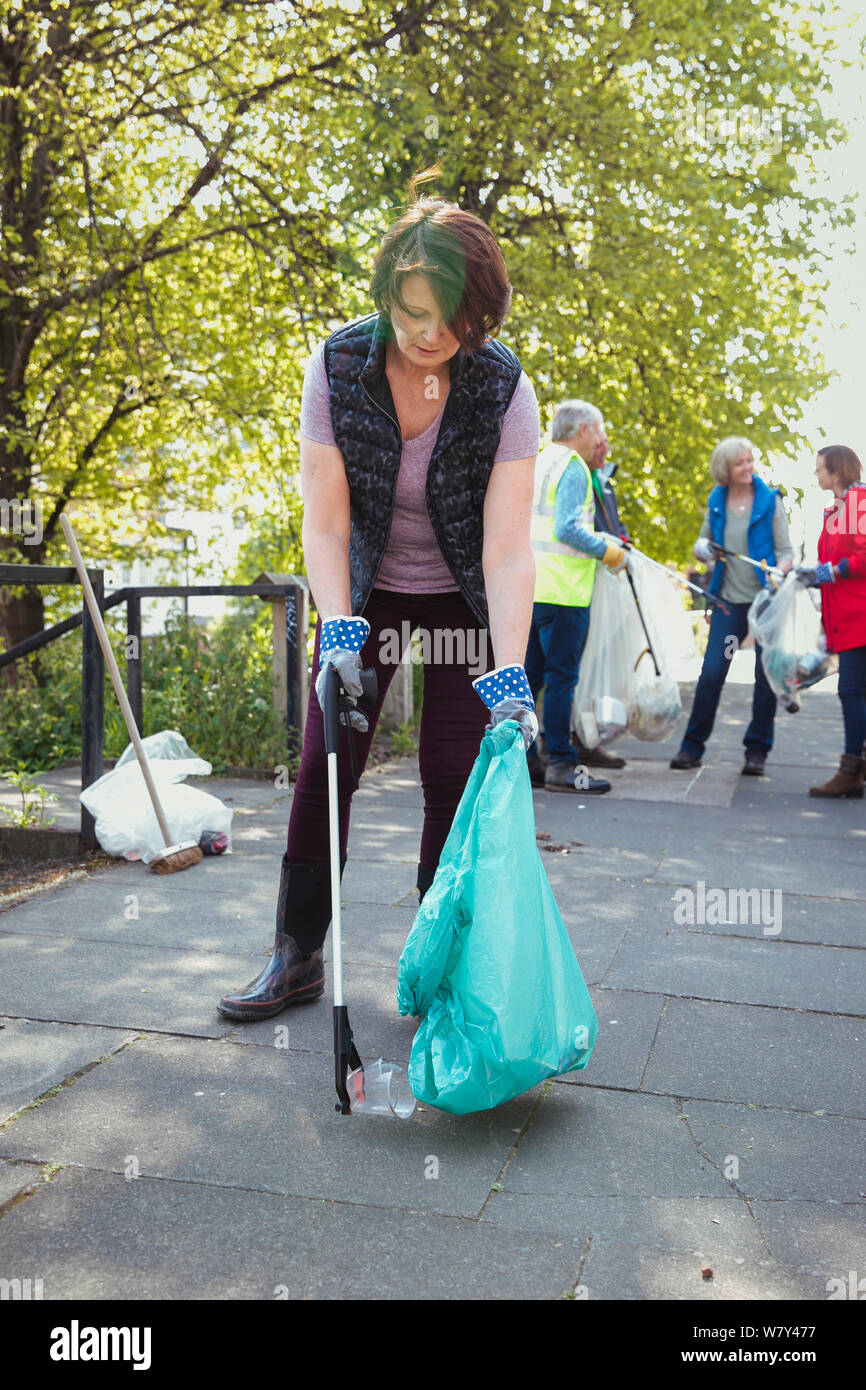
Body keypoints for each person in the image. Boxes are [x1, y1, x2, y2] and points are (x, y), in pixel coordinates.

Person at [218, 178, 541, 1022]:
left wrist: (511, 678)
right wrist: (339, 630)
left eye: (454, 318)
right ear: (388, 295)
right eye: (415, 313)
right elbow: (326, 523)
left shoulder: (504, 388)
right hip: (366, 592)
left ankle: (440, 966)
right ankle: (297, 955)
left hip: (463, 598)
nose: (432, 335)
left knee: (454, 774)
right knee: (328, 759)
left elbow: (509, 549)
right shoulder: (337, 367)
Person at [670, 436, 793, 776]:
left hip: (765, 603)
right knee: (712, 672)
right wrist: (702, 549)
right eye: (740, 462)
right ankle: (691, 748)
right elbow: (704, 541)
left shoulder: (769, 500)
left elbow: (785, 552)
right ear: (725, 468)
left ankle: (757, 751)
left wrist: (779, 571)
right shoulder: (717, 499)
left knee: (765, 677)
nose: (747, 467)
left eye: (750, 460)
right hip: (729, 605)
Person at [524, 400, 629, 794]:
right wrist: (609, 551)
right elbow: (567, 529)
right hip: (565, 591)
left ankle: (526, 760)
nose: (600, 439)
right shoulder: (572, 467)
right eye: (598, 430)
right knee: (561, 679)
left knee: (530, 678)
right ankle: (562, 763)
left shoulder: (539, 461)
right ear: (583, 429)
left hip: (532, 588)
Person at [799, 444, 866, 798]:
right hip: (847, 615)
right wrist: (815, 574)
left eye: (820, 468)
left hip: (860, 615)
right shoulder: (839, 508)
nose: (816, 474)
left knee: (851, 690)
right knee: (855, 690)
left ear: (836, 472)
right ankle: (855, 769)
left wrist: (830, 571)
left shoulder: (859, 503)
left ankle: (851, 771)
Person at [574, 420, 631, 771]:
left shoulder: (604, 482)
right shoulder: (577, 476)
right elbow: (575, 529)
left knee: (594, 666)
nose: (605, 450)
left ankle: (586, 739)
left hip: (600, 582)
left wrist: (624, 543)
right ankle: (568, 742)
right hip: (578, 584)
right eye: (600, 443)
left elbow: (615, 526)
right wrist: (608, 548)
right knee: (576, 668)